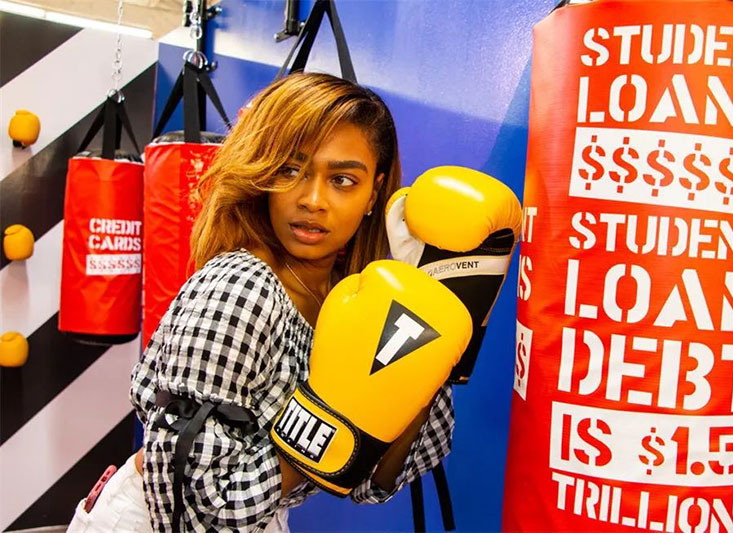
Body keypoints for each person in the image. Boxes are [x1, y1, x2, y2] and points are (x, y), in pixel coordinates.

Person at [66, 72, 456, 532]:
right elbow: (191, 511)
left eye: (343, 180)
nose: (313, 200)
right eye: (290, 170)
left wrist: (438, 345)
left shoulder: (353, 298)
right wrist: (333, 430)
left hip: (259, 518)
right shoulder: (241, 287)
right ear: (263, 174)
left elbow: (371, 481)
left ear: (375, 191)